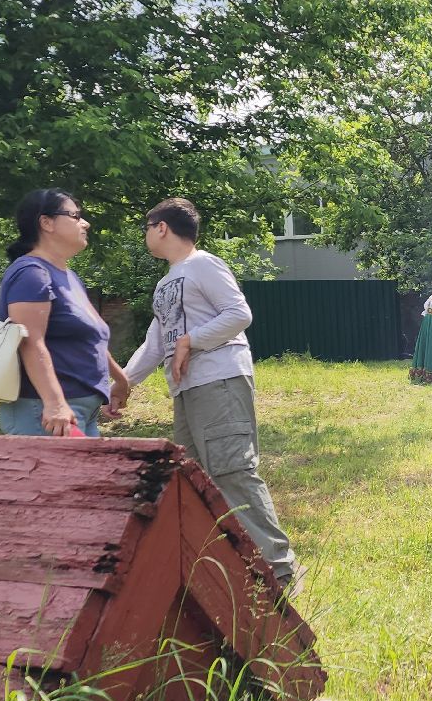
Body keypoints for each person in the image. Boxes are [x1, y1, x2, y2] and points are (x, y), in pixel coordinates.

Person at [114, 198, 302, 592]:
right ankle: (231, 572)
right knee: (197, 480)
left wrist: (191, 341)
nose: (146, 234)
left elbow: (238, 313)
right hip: (186, 391)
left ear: (162, 227)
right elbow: (154, 343)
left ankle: (279, 571)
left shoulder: (204, 264)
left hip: (219, 380)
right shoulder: (167, 282)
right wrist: (123, 383)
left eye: (148, 227)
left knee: (232, 470)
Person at [0, 188, 129, 437]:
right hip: (47, 413)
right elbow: (30, 342)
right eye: (76, 216)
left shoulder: (68, 276)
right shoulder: (31, 273)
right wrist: (55, 402)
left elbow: (92, 337)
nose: (85, 223)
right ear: (46, 222)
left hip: (81, 410)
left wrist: (120, 380)